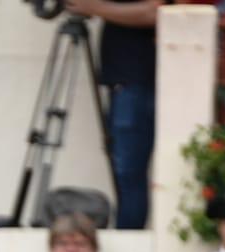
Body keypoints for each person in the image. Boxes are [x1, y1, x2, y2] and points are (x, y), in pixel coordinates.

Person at [66, 0, 164, 230]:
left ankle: (129, 235)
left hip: (136, 82)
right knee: (123, 168)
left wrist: (93, 7)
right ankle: (127, 230)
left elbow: (155, 11)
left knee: (129, 170)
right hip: (124, 82)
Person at [45, 213, 111, 252]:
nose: (71, 249)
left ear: (94, 250)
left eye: (79, 243)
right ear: (51, 249)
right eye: (63, 243)